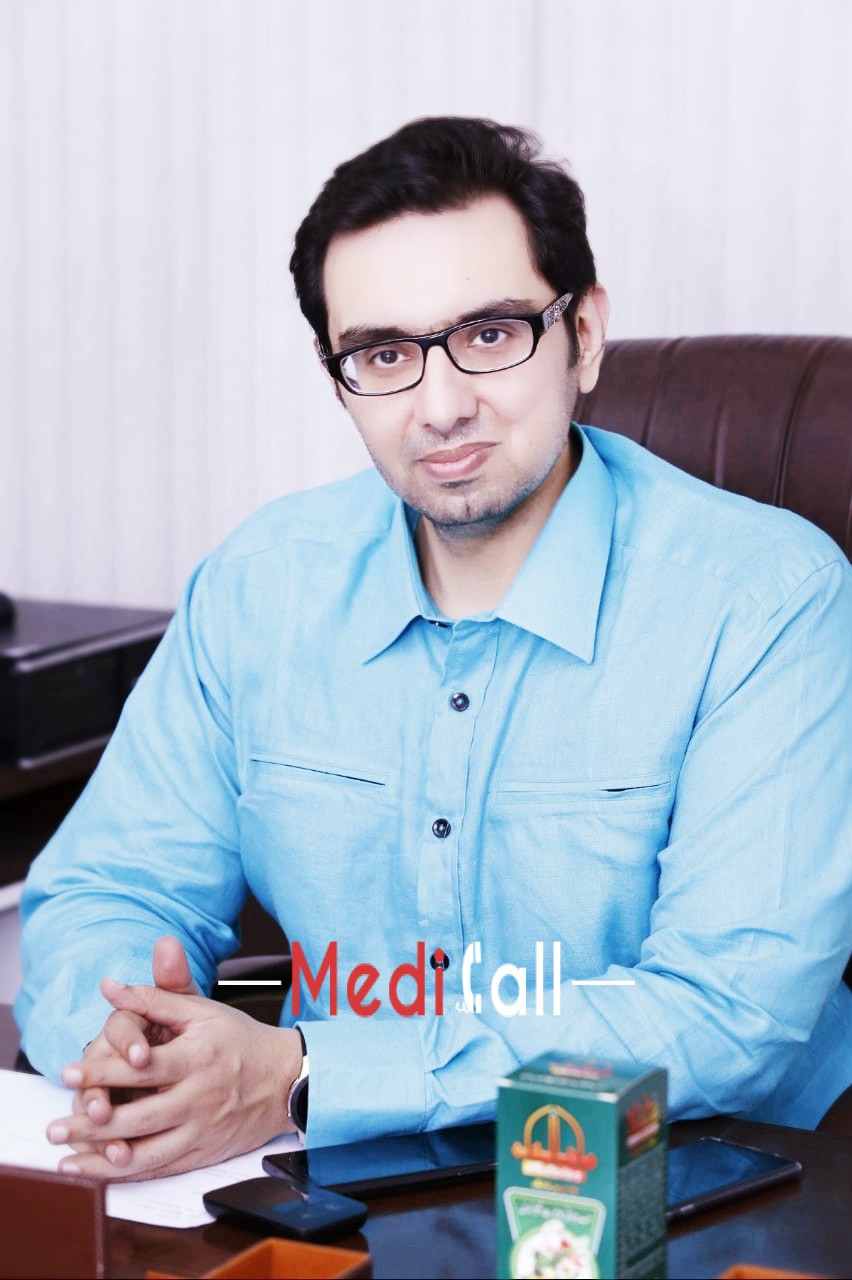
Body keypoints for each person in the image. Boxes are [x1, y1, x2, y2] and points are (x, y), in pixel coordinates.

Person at [15, 117, 852, 1183]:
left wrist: (309, 1071)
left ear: (585, 334)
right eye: (384, 354)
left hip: (698, 1180)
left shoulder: (767, 598)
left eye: (491, 334)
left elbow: (730, 1009)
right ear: (337, 375)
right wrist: (134, 1044)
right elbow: (107, 887)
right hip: (328, 1180)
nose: (442, 405)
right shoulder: (261, 585)